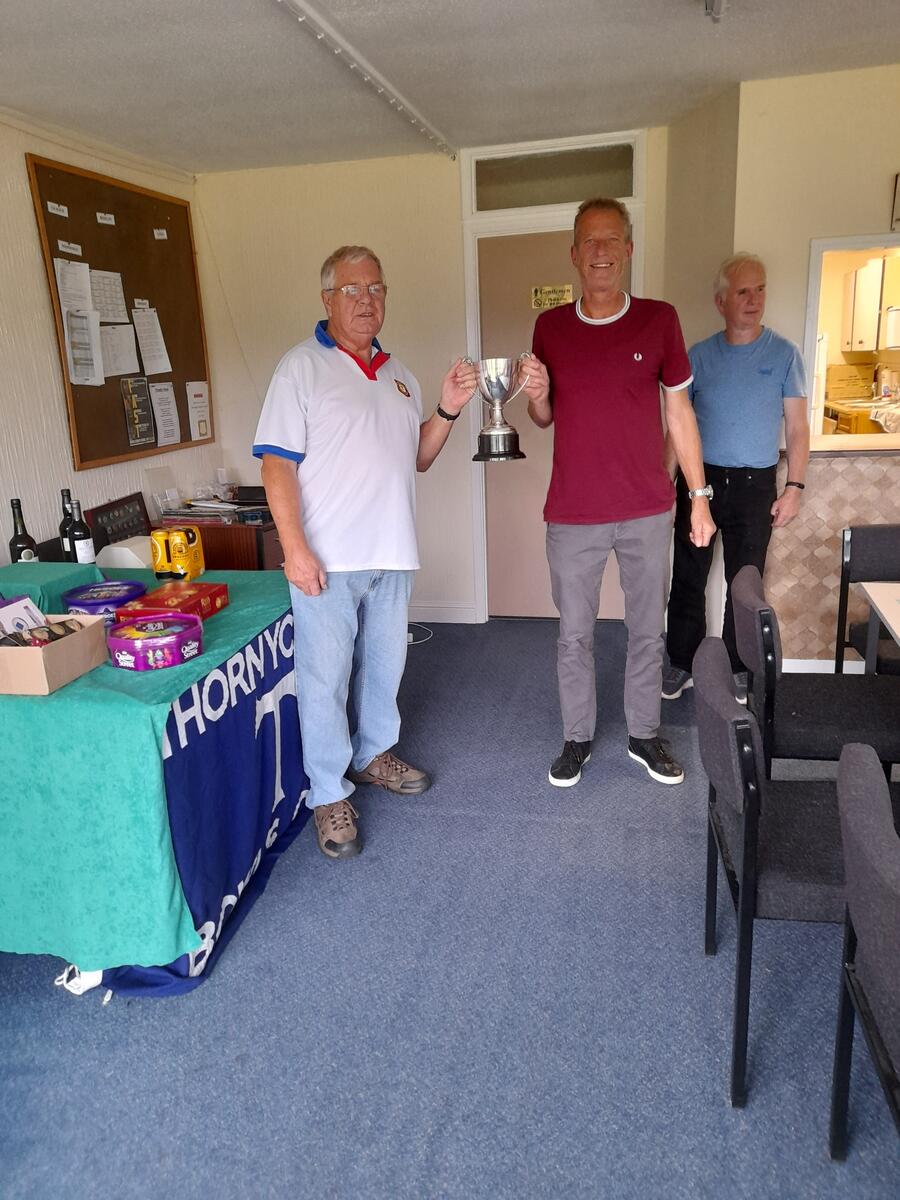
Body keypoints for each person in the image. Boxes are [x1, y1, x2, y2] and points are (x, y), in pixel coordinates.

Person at [253, 245, 477, 860]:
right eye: (352, 290)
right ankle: (328, 792)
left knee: (385, 669)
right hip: (326, 560)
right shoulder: (299, 368)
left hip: (392, 555)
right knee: (325, 681)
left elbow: (417, 459)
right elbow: (277, 466)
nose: (365, 300)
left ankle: (374, 753)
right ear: (327, 298)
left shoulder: (398, 372)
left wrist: (447, 409)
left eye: (376, 289)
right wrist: (294, 549)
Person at [522, 198, 715, 790]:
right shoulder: (550, 327)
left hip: (647, 509)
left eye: (612, 240)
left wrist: (699, 497)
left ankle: (643, 734)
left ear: (628, 250)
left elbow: (679, 413)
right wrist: (534, 392)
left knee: (646, 630)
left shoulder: (659, 319)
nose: (601, 251)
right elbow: (543, 416)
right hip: (573, 512)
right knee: (574, 634)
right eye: (590, 241)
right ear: (575, 254)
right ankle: (577, 736)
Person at [662, 253, 809, 700]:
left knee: (744, 583)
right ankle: (681, 663)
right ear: (720, 301)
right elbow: (677, 423)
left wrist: (795, 487)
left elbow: (798, 427)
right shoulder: (699, 357)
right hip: (699, 483)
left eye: (760, 289)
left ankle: (736, 667)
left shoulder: (784, 354)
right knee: (689, 574)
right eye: (743, 291)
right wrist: (663, 486)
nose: (754, 299)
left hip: (755, 485)